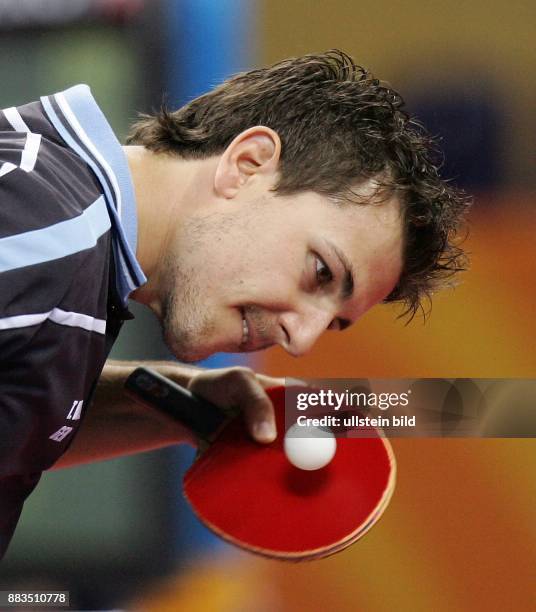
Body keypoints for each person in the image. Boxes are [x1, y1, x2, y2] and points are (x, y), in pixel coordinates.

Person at [0, 50, 469, 558]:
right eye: (320, 272)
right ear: (248, 166)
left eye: (333, 323)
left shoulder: (63, 246)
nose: (302, 340)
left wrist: (176, 404)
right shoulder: (40, 229)